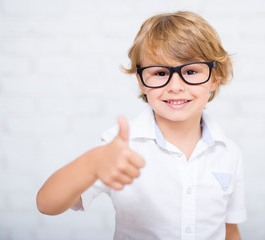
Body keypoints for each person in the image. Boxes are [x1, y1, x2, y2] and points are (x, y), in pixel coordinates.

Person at [37, 11, 247, 240]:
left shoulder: (228, 152)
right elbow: (47, 204)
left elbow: (229, 230)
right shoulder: (118, 149)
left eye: (190, 71)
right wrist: (91, 164)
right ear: (141, 82)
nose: (176, 86)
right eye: (160, 73)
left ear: (214, 79)